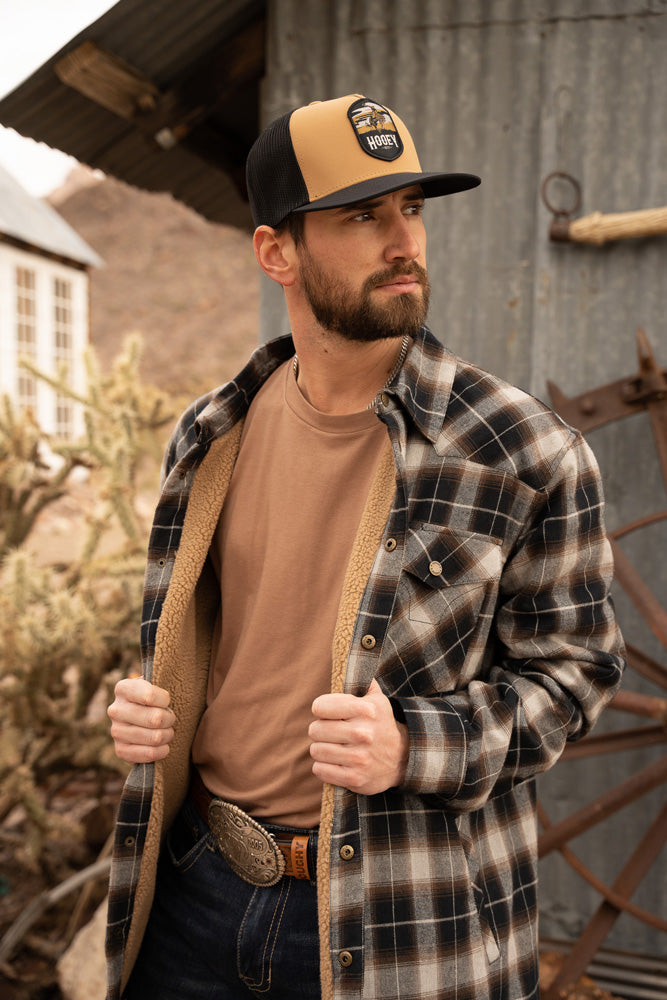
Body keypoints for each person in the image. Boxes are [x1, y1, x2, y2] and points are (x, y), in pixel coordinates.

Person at [106, 94, 624, 1000]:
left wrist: (414, 745)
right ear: (277, 252)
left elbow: (576, 674)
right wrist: (147, 703)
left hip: (399, 923)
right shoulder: (210, 432)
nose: (403, 241)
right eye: (361, 216)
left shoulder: (523, 450)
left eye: (411, 209)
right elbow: (211, 636)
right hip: (193, 888)